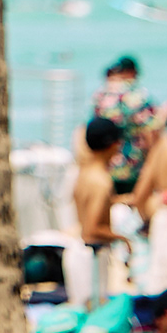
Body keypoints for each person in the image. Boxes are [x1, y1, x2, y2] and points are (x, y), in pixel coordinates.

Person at [72, 116, 124, 303]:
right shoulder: (102, 181)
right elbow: (91, 229)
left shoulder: (84, 172)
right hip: (92, 255)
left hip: (78, 250)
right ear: (112, 145)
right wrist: (123, 238)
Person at [94, 58, 162, 196]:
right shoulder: (138, 96)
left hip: (106, 165)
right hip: (133, 168)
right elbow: (151, 132)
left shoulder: (101, 95)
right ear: (133, 72)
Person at [134, 97, 167, 289]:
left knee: (165, 290)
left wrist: (147, 218)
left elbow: (140, 195)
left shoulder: (162, 146)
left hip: (165, 219)